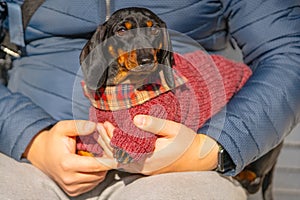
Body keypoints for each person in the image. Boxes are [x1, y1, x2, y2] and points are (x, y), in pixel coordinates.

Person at [0, 0, 299, 199]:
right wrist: (30, 138)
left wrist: (211, 148)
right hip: (32, 151)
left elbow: (289, 53)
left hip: (187, 157)